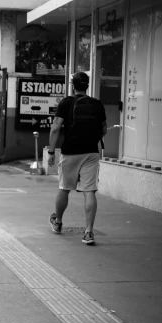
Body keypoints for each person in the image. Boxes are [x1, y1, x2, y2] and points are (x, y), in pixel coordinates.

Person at [47, 71, 107, 246]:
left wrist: (51, 152)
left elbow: (55, 128)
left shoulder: (66, 102)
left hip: (71, 151)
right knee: (89, 191)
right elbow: (103, 129)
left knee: (64, 188)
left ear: (73, 85)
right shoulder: (97, 104)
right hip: (91, 152)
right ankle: (88, 232)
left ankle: (58, 223)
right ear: (87, 85)